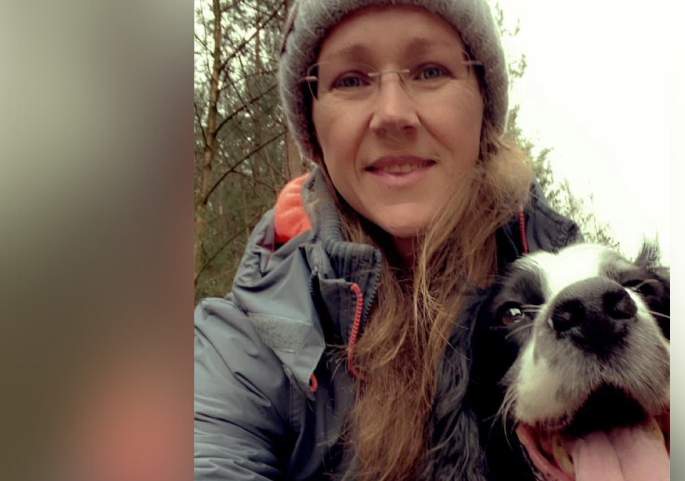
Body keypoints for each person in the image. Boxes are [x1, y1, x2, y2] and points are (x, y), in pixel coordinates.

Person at [194, 0, 581, 480]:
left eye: (431, 71)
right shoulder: (243, 346)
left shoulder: (600, 307)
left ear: (483, 101)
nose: (393, 114)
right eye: (351, 80)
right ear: (313, 126)